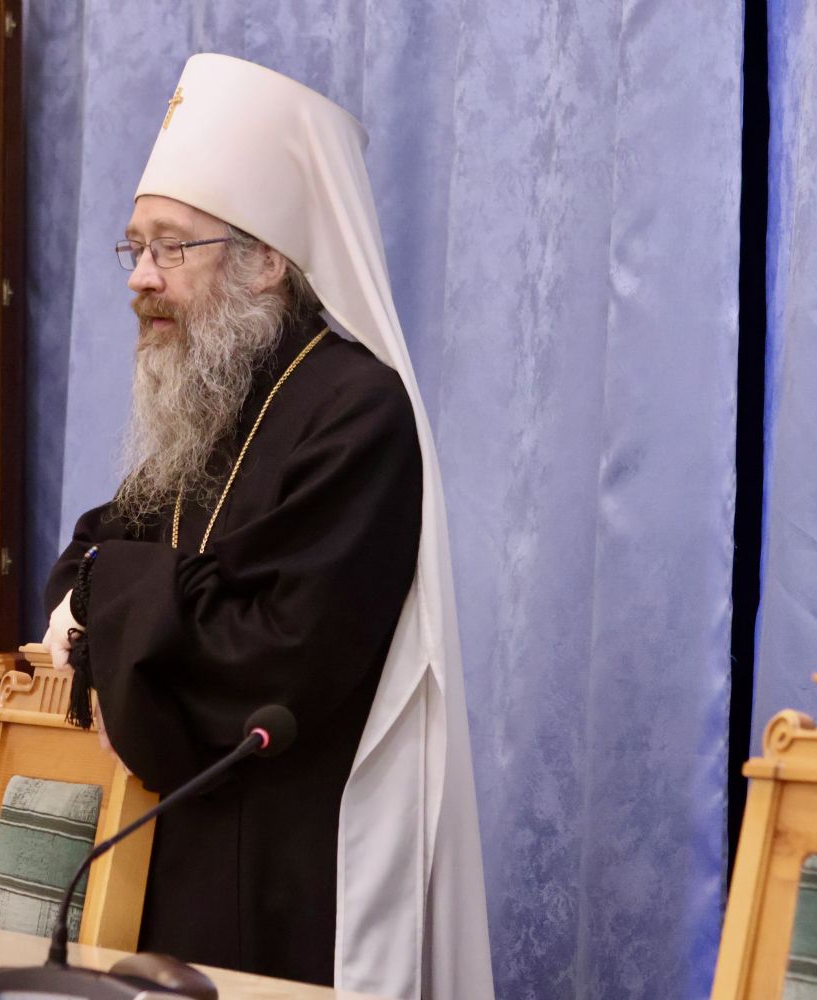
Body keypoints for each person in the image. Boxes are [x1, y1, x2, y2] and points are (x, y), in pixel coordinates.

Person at [42, 55, 493, 1000]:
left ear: (266, 260)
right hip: (150, 845)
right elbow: (85, 560)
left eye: (172, 248)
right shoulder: (205, 399)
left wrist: (116, 606)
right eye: (136, 247)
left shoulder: (357, 411)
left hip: (283, 869)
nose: (141, 279)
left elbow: (282, 649)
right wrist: (119, 599)